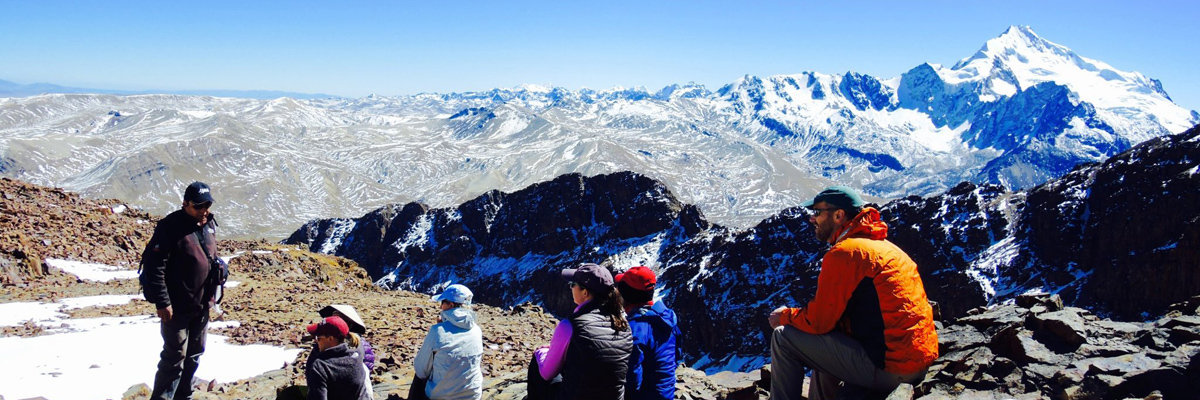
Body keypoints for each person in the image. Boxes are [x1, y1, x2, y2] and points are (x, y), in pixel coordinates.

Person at [768, 186, 939, 400]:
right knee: (825, 340)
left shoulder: (846, 253)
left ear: (839, 215)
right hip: (916, 363)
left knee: (783, 336)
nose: (812, 219)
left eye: (817, 213)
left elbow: (819, 321)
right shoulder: (884, 247)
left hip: (892, 370)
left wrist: (782, 316)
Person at [140, 181, 223, 400]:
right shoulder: (170, 227)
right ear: (185, 204)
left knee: (194, 355)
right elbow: (155, 266)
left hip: (202, 305)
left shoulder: (209, 224)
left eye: (207, 205)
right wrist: (162, 302)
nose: (204, 210)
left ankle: (183, 396)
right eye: (199, 206)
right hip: (176, 307)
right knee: (175, 356)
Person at [528, 263, 633, 400]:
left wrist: (541, 352)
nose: (570, 287)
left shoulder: (570, 325)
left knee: (538, 363)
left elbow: (547, 373)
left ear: (585, 292)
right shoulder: (624, 325)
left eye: (573, 284)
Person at [410, 284, 484, 400]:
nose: (440, 307)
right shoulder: (477, 330)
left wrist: (439, 328)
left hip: (441, 396)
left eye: (443, 303)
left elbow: (421, 370)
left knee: (420, 375)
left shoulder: (437, 331)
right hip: (473, 395)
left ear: (451, 305)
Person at [615, 266, 679, 400]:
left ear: (626, 295)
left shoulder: (636, 329)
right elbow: (677, 354)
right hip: (666, 393)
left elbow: (632, 377)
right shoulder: (666, 317)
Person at [305, 315, 372, 400]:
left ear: (330, 338)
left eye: (318, 337)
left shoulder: (321, 366)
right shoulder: (358, 349)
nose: (316, 340)